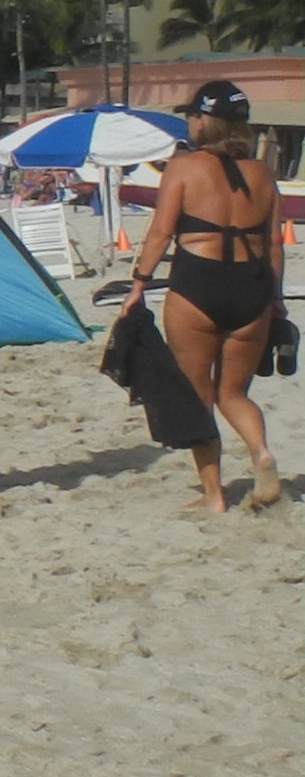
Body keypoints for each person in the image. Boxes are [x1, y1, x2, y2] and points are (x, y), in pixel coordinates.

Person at [131, 78, 283, 513]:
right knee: (234, 392)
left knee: (199, 394)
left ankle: (214, 496)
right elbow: (274, 244)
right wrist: (274, 299)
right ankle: (260, 451)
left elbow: (161, 233)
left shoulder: (183, 168)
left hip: (197, 282)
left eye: (194, 115)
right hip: (252, 286)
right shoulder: (262, 173)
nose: (191, 123)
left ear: (206, 122)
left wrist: (139, 283)